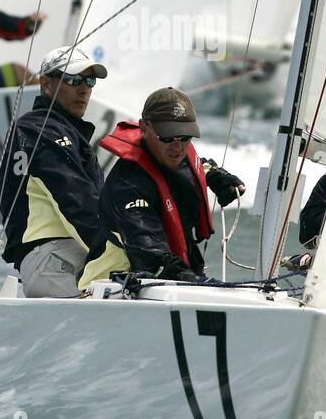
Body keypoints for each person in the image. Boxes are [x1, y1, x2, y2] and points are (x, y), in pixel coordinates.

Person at [79, 87, 245, 289]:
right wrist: (196, 281)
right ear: (144, 127)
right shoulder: (127, 185)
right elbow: (149, 254)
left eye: (185, 137)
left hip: (164, 284)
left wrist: (215, 176)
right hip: (110, 288)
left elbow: (196, 165)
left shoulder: (175, 156)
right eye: (167, 137)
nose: (178, 147)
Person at [0, 46, 108, 297]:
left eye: (89, 81)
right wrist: (115, 249)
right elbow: (74, 201)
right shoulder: (41, 131)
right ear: (45, 83)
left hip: (61, 257)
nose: (84, 88)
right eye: (72, 79)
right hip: (54, 259)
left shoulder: (53, 130)